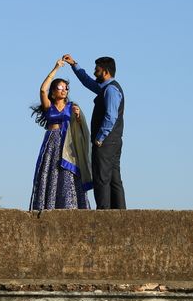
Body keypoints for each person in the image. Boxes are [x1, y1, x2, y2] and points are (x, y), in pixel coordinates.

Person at [62, 54, 126, 209]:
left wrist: (100, 138)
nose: (94, 72)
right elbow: (87, 82)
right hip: (114, 141)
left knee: (101, 177)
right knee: (114, 178)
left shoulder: (110, 90)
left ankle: (103, 212)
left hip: (106, 141)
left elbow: (111, 116)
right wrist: (74, 65)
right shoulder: (105, 88)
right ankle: (120, 213)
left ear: (105, 72)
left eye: (96, 70)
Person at [28, 59, 92, 210]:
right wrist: (56, 68)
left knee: (68, 175)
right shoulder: (48, 106)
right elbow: (43, 90)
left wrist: (77, 116)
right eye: (60, 87)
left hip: (67, 144)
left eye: (66, 88)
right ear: (53, 91)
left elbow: (80, 126)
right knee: (51, 173)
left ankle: (71, 206)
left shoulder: (72, 107)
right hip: (52, 141)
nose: (64, 90)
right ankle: (48, 205)